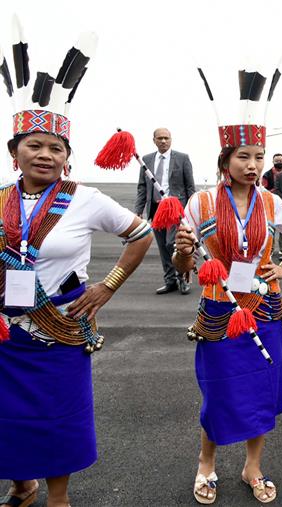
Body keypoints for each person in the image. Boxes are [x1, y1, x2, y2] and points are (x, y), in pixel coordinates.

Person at [0, 26, 153, 507]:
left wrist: (108, 286)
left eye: (56, 148)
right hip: (7, 328)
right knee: (9, 414)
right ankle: (21, 485)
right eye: (34, 146)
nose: (45, 155)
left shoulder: (84, 199)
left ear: (67, 157)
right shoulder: (0, 200)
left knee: (59, 413)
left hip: (63, 323)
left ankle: (58, 497)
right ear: (14, 151)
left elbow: (141, 233)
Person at [173, 61, 282, 504]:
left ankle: (253, 466)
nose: (252, 165)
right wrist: (183, 249)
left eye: (258, 158)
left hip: (264, 309)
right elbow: (182, 265)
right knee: (219, 391)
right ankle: (206, 463)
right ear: (225, 161)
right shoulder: (202, 201)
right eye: (243, 157)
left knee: (261, 391)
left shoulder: (271, 201)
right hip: (218, 310)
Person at [135, 127, 196, 295]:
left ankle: (182, 278)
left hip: (176, 209)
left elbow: (190, 186)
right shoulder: (146, 160)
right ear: (154, 140)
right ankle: (170, 281)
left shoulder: (182, 158)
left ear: (171, 139)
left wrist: (193, 210)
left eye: (166, 138)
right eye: (160, 138)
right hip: (156, 209)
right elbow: (142, 187)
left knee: (172, 243)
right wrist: (138, 210)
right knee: (162, 246)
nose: (163, 141)